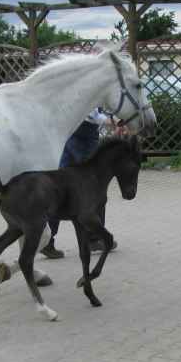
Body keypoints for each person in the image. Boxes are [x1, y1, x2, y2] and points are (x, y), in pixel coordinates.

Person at [41, 108, 119, 258]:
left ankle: (46, 241)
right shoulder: (93, 85)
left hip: (72, 130)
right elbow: (90, 112)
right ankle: (94, 238)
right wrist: (110, 121)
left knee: (60, 189)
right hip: (83, 133)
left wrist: (112, 120)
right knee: (95, 189)